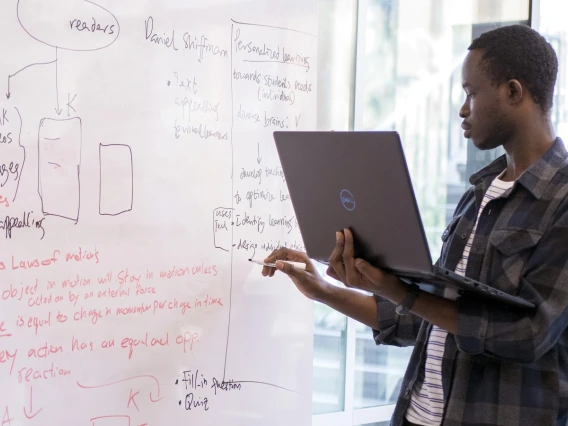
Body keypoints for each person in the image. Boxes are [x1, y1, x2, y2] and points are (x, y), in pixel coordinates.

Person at [262, 24, 568, 426]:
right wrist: (325, 290)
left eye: (471, 93)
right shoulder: (478, 193)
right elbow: (421, 318)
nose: (462, 109)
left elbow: (528, 334)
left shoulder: (561, 200)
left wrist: (399, 291)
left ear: (513, 92)